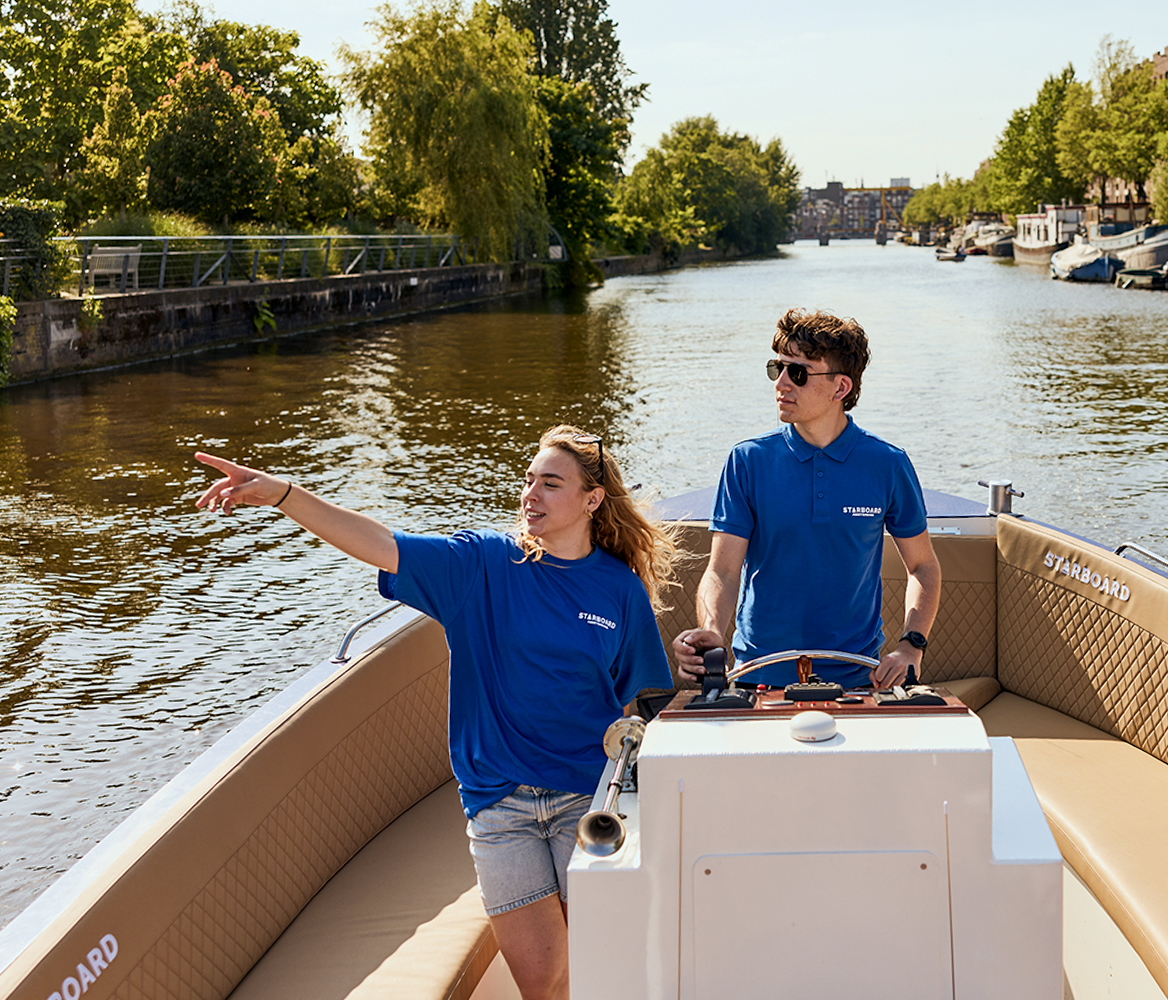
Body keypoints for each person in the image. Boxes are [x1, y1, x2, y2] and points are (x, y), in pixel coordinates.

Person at [193, 426, 677, 1000]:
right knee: (543, 978)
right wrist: (284, 495)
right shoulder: (481, 565)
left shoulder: (617, 589)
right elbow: (379, 542)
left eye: (551, 484)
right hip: (501, 807)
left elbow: (638, 699)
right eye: (528, 481)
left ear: (591, 500)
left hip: (586, 796)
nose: (531, 495)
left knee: (603, 963)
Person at [672, 308, 941, 691]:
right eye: (776, 368)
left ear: (840, 388)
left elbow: (923, 567)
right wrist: (712, 630)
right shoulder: (748, 461)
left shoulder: (888, 464)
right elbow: (723, 571)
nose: (781, 383)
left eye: (797, 373)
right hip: (757, 675)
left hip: (858, 678)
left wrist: (911, 646)